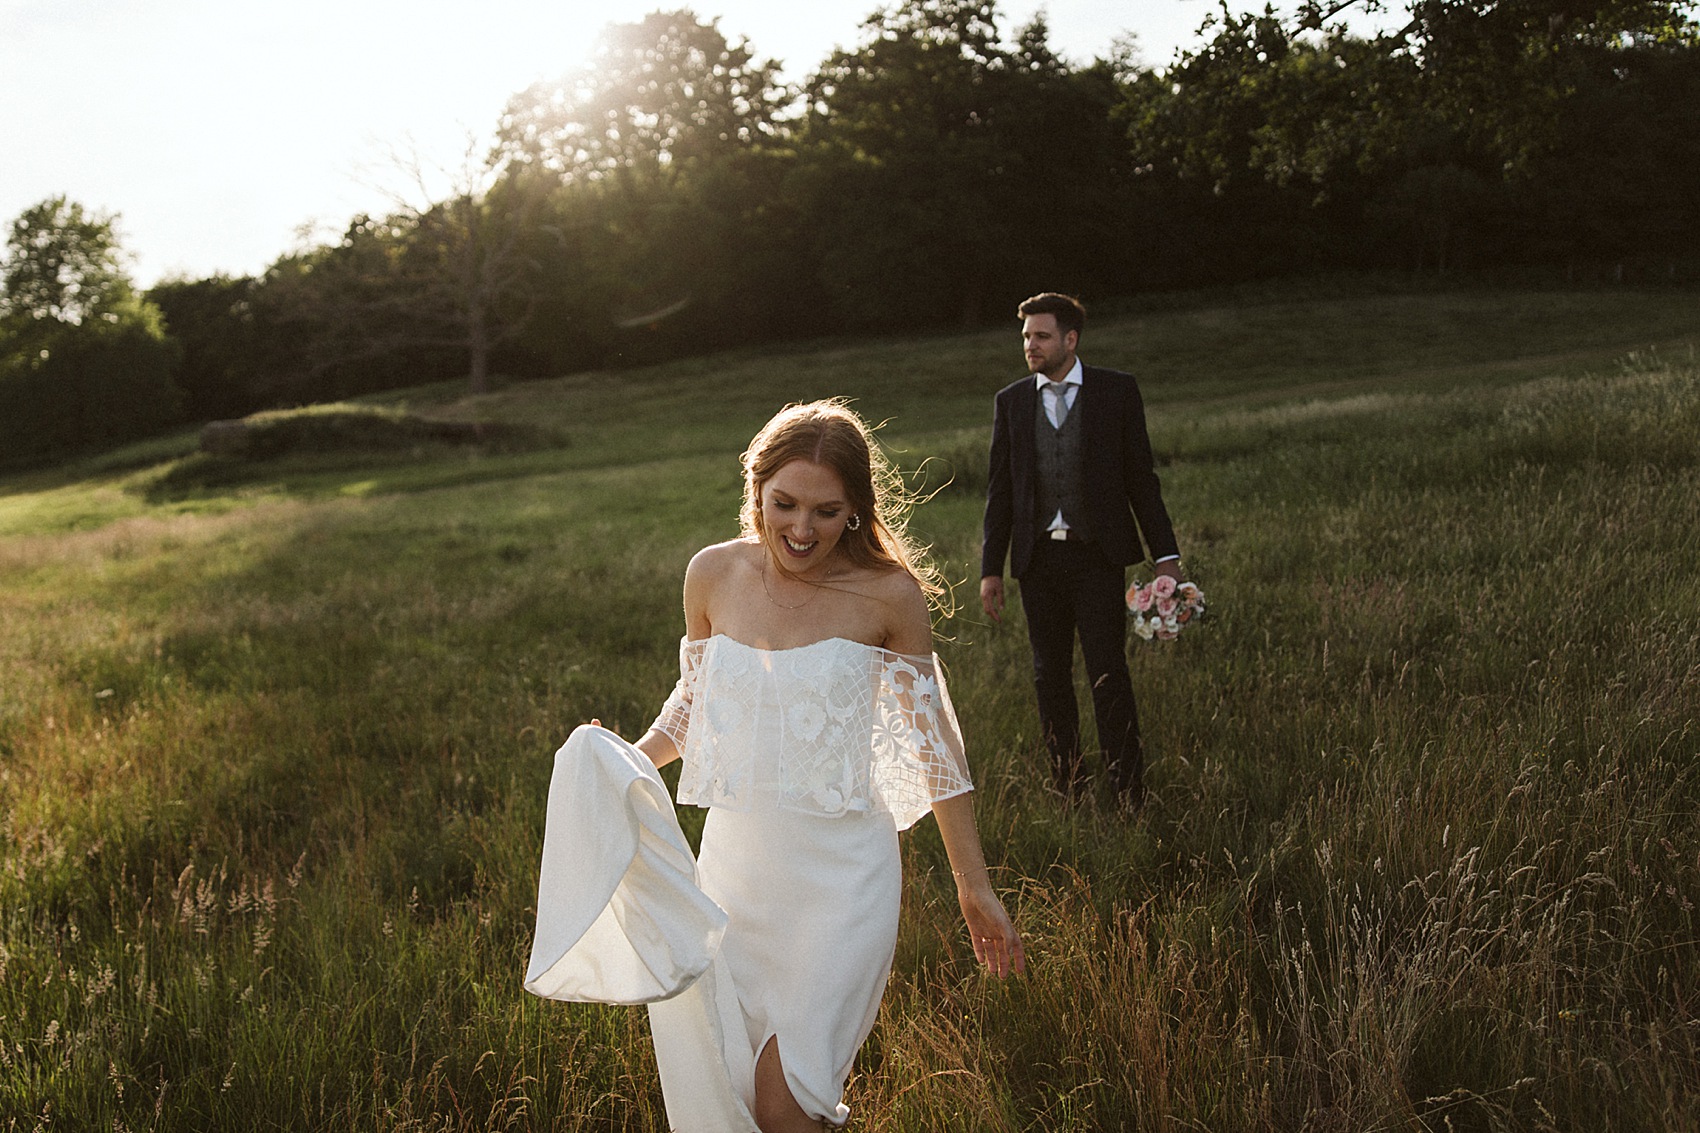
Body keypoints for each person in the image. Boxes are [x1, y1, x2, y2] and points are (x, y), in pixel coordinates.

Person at [525, 400, 1024, 1133]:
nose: (800, 528)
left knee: (788, 1102)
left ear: (856, 510)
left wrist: (973, 886)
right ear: (755, 487)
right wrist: (625, 760)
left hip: (843, 880)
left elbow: (934, 748)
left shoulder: (889, 597)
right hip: (735, 876)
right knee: (735, 1098)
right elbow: (693, 707)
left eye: (826, 511)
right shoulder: (712, 575)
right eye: (784, 504)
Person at [980, 292, 1182, 811]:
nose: (1031, 345)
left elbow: (1142, 479)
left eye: (1041, 335)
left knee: (1107, 670)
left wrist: (1166, 554)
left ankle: (1128, 789)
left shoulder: (1116, 392)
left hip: (1097, 557)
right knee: (1049, 675)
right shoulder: (1012, 401)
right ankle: (1068, 784)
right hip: (1038, 561)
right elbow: (1000, 491)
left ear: (1071, 339)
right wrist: (991, 569)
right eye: (1026, 336)